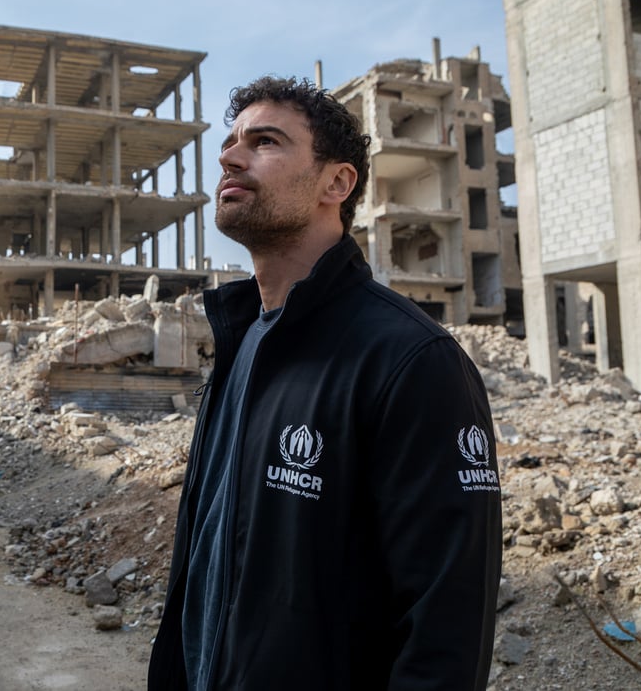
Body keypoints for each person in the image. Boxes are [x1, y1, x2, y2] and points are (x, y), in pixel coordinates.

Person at [147, 76, 502, 690]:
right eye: (231, 143)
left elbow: (447, 625)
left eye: (264, 141)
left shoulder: (410, 359)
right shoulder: (242, 341)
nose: (230, 157)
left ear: (336, 183)